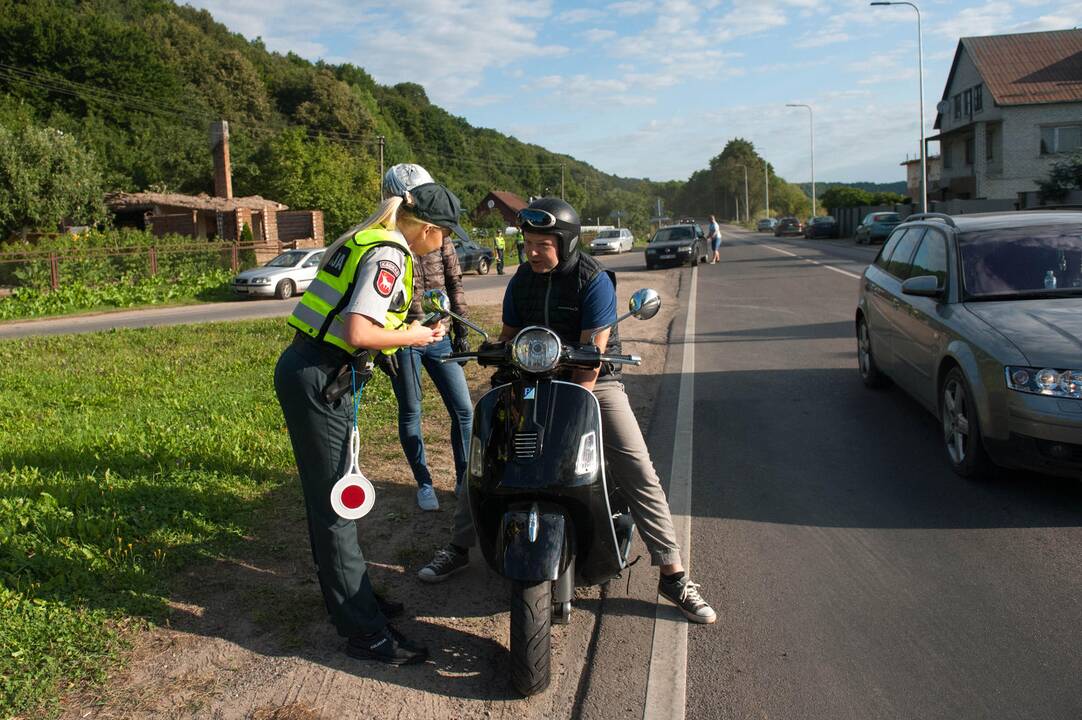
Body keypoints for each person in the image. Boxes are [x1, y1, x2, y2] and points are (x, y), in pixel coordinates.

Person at [418, 197, 717, 624]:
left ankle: (673, 574)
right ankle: (460, 545)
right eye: (528, 243)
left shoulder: (592, 280)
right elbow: (509, 334)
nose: (533, 252)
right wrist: (495, 352)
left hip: (593, 381)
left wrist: (570, 412)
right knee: (482, 455)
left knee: (635, 465)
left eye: (543, 243)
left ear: (566, 241)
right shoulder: (521, 279)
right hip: (528, 375)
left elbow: (592, 357)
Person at [274, 181, 470, 664]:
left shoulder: (368, 239)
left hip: (316, 373)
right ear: (428, 229)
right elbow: (358, 329)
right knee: (337, 508)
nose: (445, 244)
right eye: (446, 235)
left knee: (331, 502)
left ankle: (355, 602)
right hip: (321, 378)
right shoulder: (390, 256)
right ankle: (364, 632)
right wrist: (417, 335)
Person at [380, 164, 473, 511]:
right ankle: (423, 482)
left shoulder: (440, 234)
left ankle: (464, 482)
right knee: (411, 411)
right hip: (404, 340)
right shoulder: (385, 240)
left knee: (464, 410)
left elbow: (455, 281)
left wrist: (461, 327)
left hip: (438, 332)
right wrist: (383, 344)